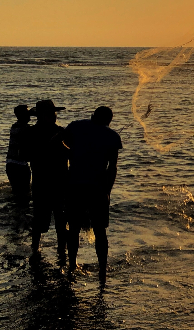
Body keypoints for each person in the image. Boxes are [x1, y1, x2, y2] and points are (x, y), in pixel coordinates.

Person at [63, 106, 122, 284]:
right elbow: (112, 168)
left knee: (73, 228)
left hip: (74, 186)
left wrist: (71, 153)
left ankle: (72, 265)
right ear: (109, 121)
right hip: (98, 189)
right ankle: (102, 270)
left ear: (93, 115)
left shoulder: (75, 126)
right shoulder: (112, 136)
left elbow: (60, 143)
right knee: (99, 230)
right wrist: (108, 191)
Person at [27, 100, 69, 258]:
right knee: (46, 219)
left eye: (54, 113)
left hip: (52, 181)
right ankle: (43, 250)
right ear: (41, 116)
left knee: (57, 219)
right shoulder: (59, 132)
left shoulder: (33, 132)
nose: (54, 116)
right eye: (51, 114)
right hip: (48, 181)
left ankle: (54, 250)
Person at [6, 104, 32, 202]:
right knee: (25, 193)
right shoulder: (26, 128)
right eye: (27, 113)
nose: (29, 115)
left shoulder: (14, 126)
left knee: (16, 192)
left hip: (10, 163)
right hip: (20, 165)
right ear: (22, 115)